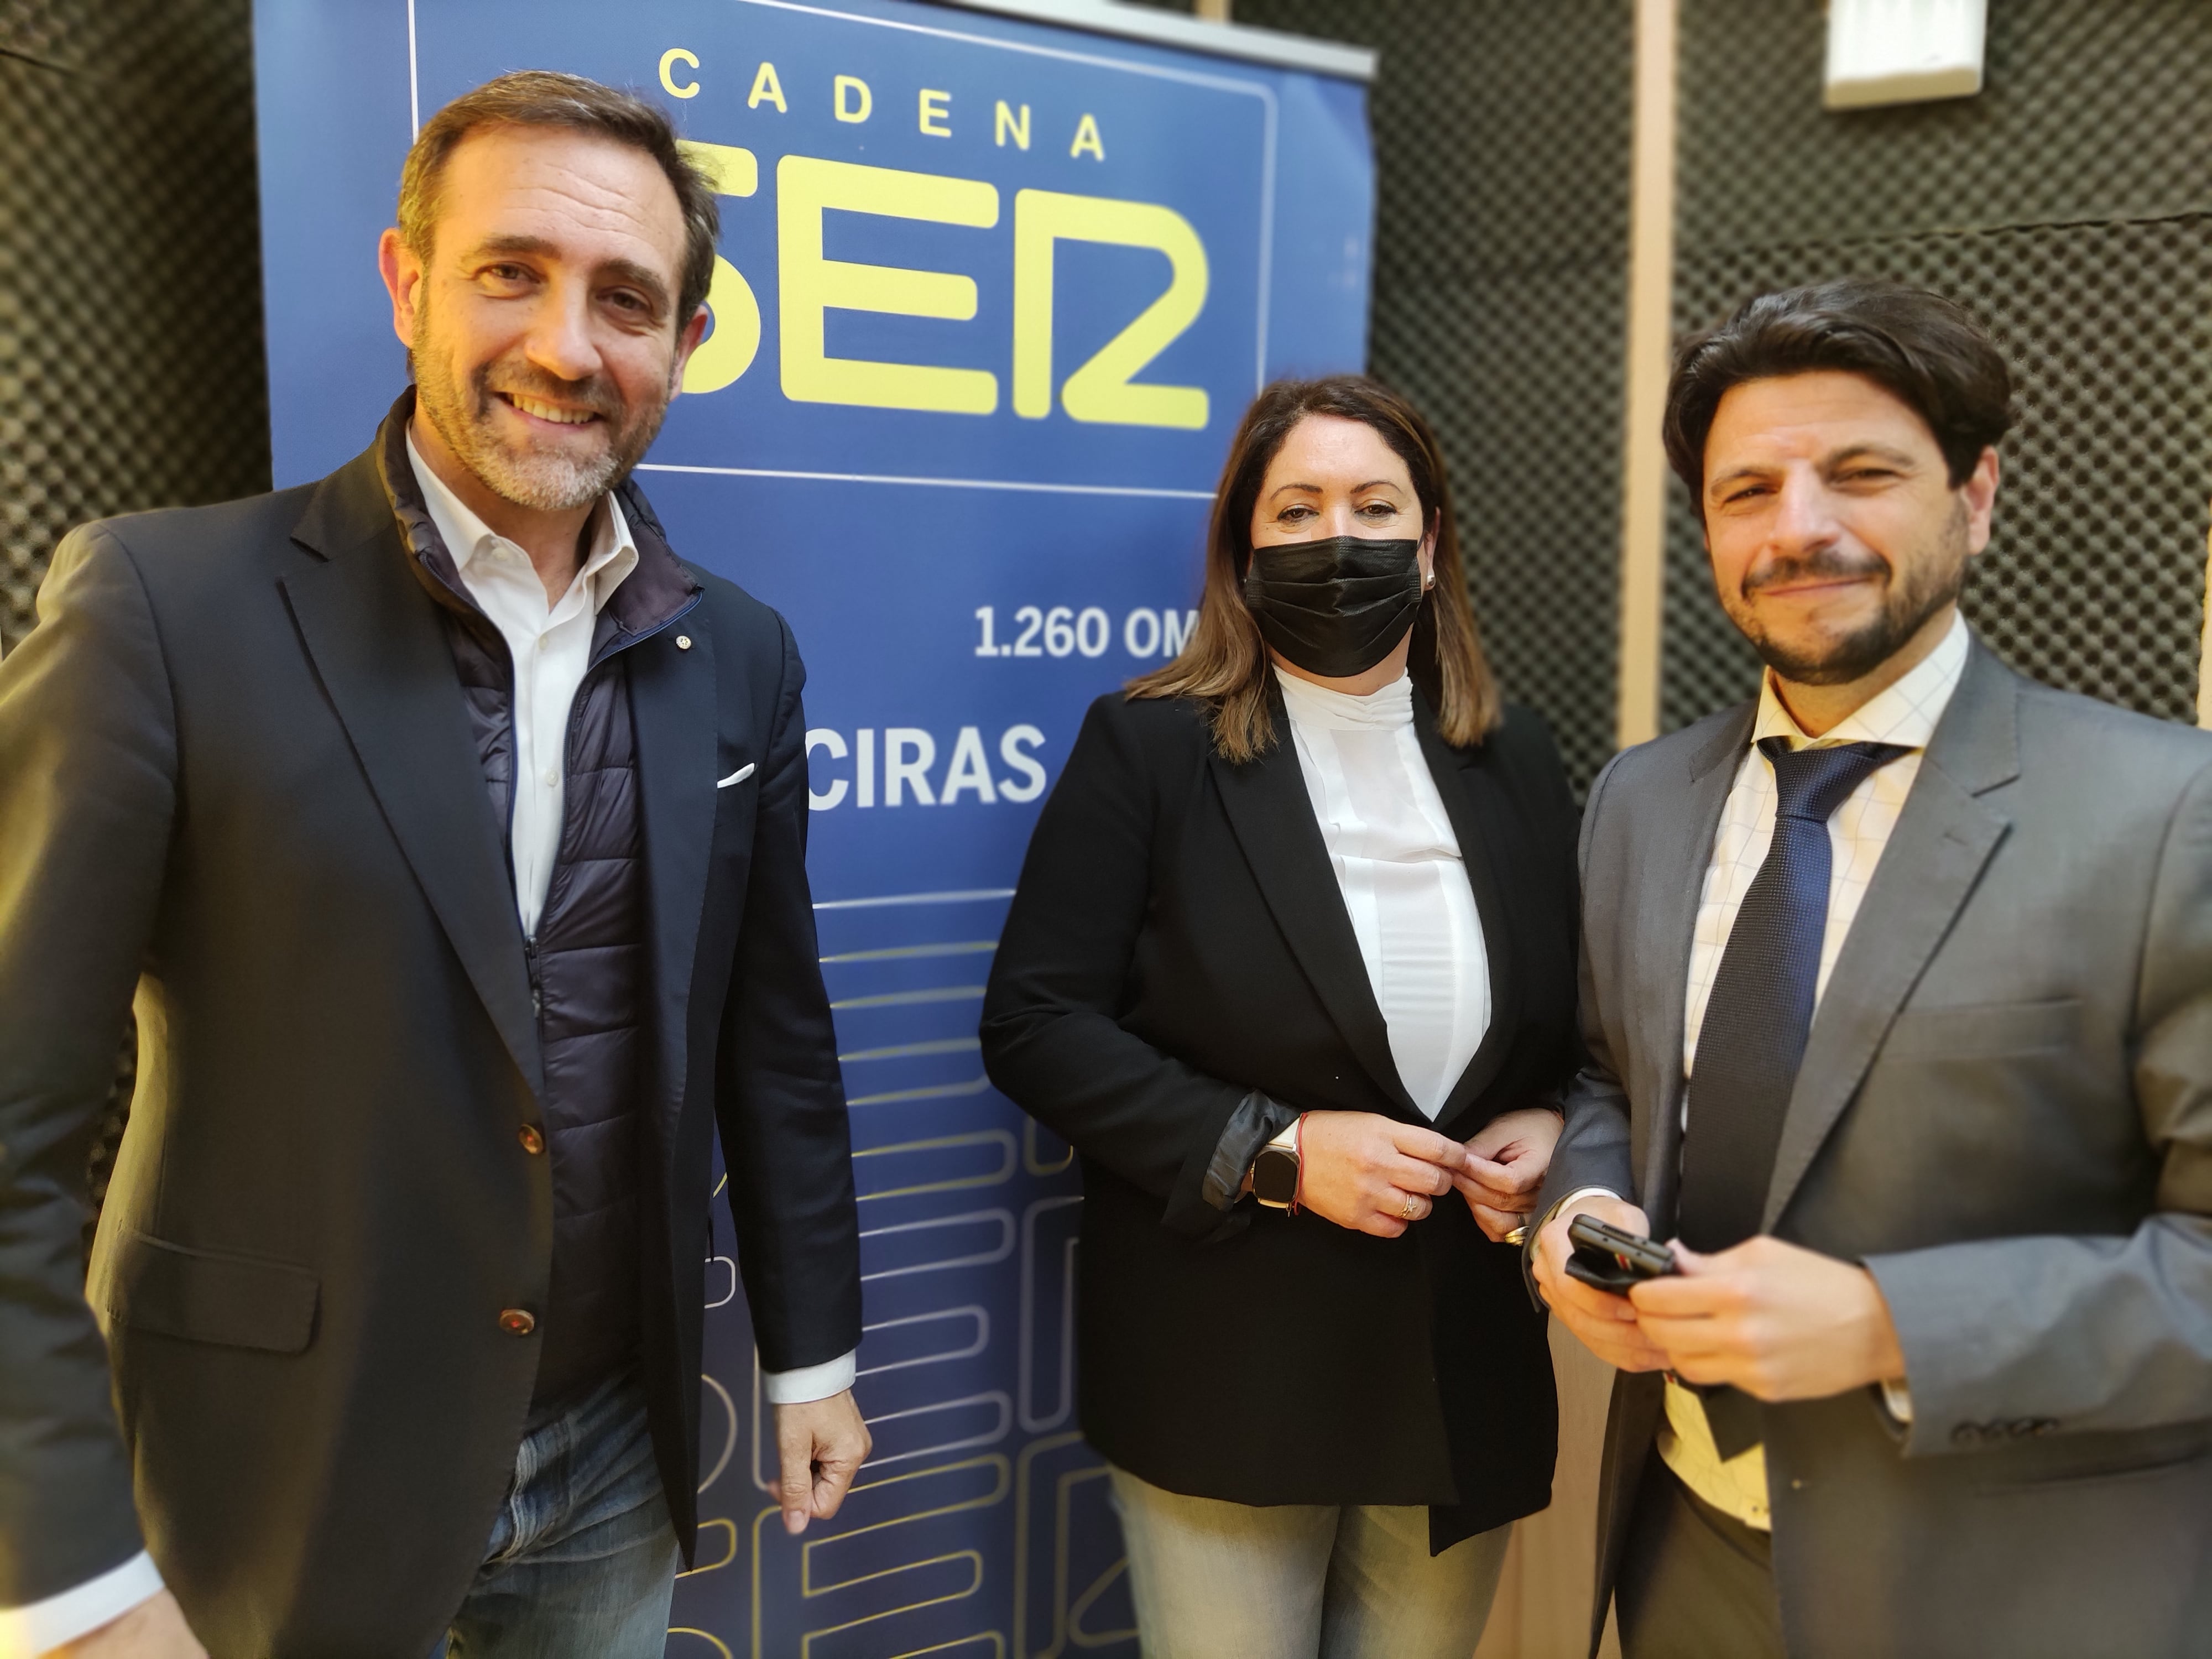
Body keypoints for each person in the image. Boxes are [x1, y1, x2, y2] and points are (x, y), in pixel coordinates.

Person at [0, 72, 869, 1658]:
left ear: (682, 344)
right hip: (269, 1467)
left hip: (612, 1457)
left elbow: (777, 1044)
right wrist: (70, 1583)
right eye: (509, 272)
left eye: (627, 299)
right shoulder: (157, 605)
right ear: (408, 284)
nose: (566, 345)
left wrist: (813, 1361)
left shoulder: (742, 656)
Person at [1533, 278, 2212, 1658]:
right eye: (1746, 491)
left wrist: (1893, 1326)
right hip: (1679, 1555)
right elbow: (1609, 1071)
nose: (1799, 528)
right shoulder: (1637, 800)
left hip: (2014, 1592)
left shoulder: (2168, 815)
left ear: (1974, 496)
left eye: (1858, 473)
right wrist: (1577, 1202)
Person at [981, 375, 1583, 1658]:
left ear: (1430, 547)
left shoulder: (1513, 754)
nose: (1336, 539)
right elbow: (1034, 1023)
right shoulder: (1148, 748)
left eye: (1374, 506)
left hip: (1456, 1370)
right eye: (1295, 509)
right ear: (1243, 554)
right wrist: (1277, 1150)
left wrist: (1551, 1123)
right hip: (1228, 1368)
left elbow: (1570, 1032)